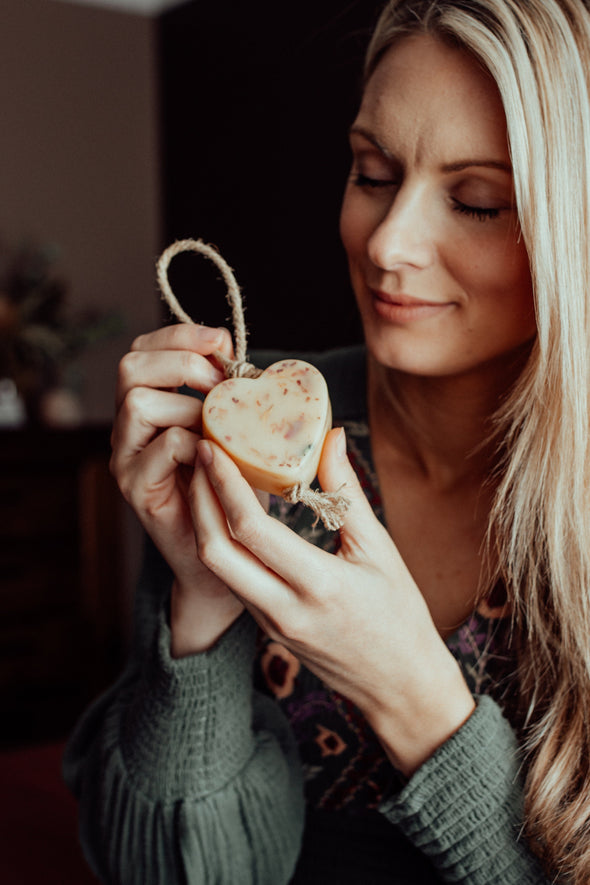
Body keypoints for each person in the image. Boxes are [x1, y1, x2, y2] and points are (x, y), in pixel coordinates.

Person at [63, 0, 590, 882]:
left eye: (477, 201)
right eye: (374, 173)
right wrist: (199, 604)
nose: (388, 243)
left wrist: (415, 694)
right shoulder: (253, 431)